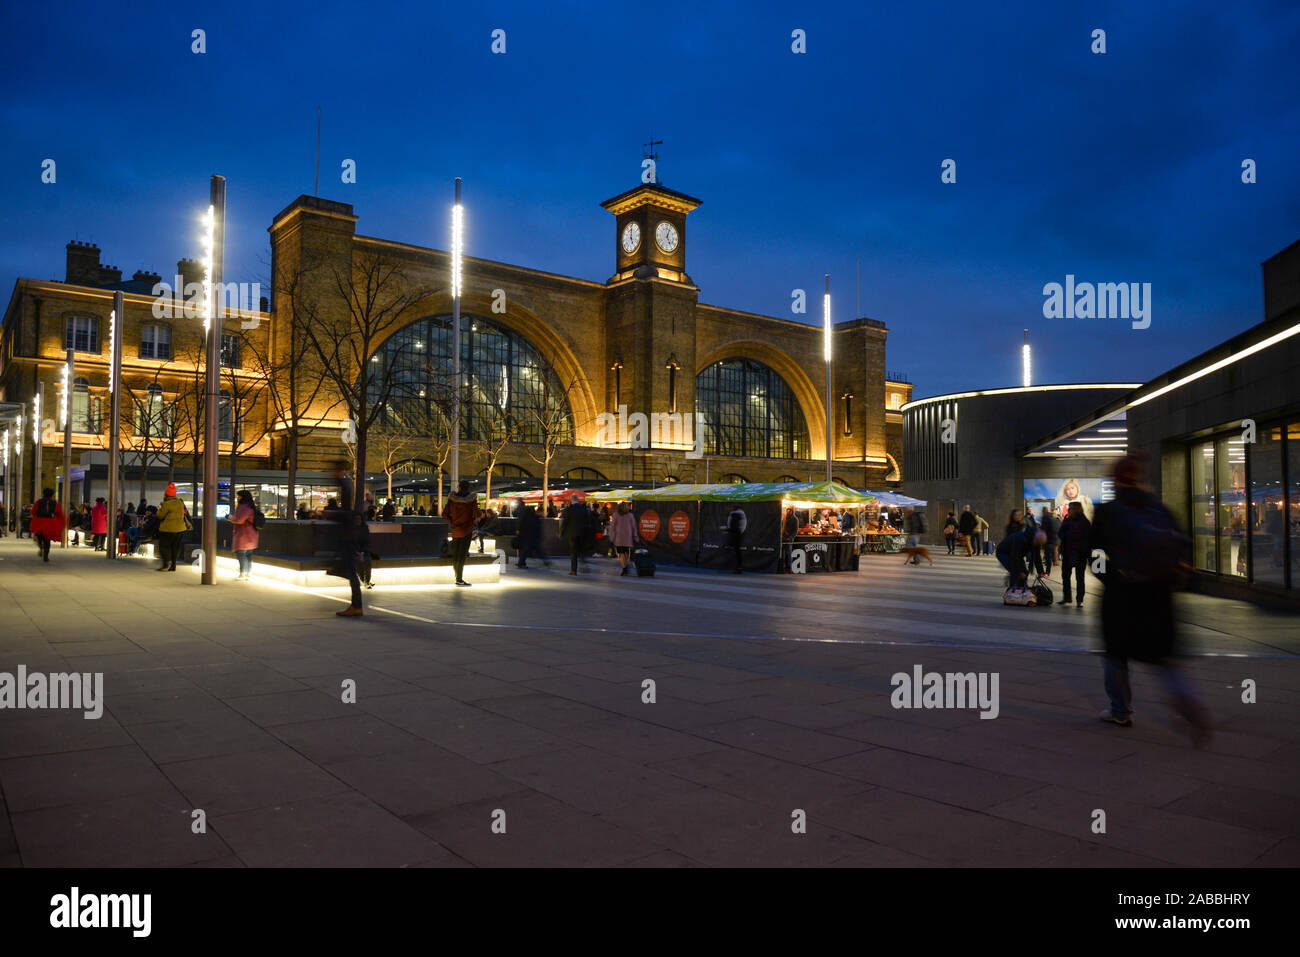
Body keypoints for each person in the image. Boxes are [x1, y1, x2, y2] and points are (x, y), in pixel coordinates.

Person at [1089, 453, 1210, 743]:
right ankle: (1185, 696)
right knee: (1164, 659)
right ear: (1141, 478)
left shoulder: (1107, 511)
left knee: (1115, 656)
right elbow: (1184, 548)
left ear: (1115, 480)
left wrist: (1112, 579)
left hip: (1122, 596)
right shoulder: (1160, 510)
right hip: (1158, 596)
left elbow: (1093, 555)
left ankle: (1120, 710)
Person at [326, 461, 364, 615]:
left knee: (352, 572)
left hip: (348, 538)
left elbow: (347, 513)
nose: (331, 473)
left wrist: (330, 514)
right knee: (351, 572)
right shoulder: (346, 485)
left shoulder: (346, 486)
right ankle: (356, 606)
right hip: (348, 537)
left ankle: (357, 606)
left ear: (339, 470)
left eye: (334, 470)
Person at [441, 480, 481, 586]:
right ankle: (459, 578)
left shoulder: (452, 500)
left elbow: (444, 514)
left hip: (455, 529)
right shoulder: (471, 500)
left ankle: (457, 576)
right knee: (462, 555)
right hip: (467, 529)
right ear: (468, 488)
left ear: (459, 487)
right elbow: (478, 514)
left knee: (456, 553)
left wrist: (453, 522)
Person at [1057, 500, 1090, 607]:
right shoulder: (1067, 520)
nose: (1068, 510)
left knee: (1080, 578)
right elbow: (1060, 534)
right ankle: (1067, 598)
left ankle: (1080, 600)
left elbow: (1088, 538)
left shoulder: (1084, 522)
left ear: (1076, 509)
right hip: (1067, 553)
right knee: (1065, 577)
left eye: (1070, 508)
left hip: (1080, 554)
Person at [996, 524, 1045, 594]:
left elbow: (1037, 557)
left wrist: (1040, 572)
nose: (1038, 546)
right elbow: (1015, 557)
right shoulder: (1021, 538)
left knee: (1025, 572)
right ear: (1035, 538)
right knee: (1015, 572)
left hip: (1016, 555)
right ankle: (1011, 593)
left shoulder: (1036, 541)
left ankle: (1021, 590)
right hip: (1003, 552)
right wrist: (1019, 572)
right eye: (1038, 543)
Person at [153, 484, 189, 572]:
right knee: (175, 547)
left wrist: (159, 509)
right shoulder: (180, 502)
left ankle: (165, 563)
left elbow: (160, 516)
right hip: (180, 529)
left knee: (163, 547)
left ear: (166, 494)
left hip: (168, 530)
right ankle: (173, 565)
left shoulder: (166, 504)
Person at [227, 489, 260, 581]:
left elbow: (239, 520)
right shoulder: (251, 506)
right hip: (251, 535)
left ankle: (243, 574)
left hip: (244, 535)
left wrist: (229, 517)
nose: (237, 498)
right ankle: (248, 573)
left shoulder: (244, 507)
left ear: (243, 497)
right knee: (249, 555)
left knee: (241, 554)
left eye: (239, 496)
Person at [559, 496, 592, 575]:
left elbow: (565, 522)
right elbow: (588, 521)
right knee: (581, 549)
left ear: (571, 500)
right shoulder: (584, 509)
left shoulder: (569, 509)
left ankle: (573, 570)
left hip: (572, 533)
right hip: (582, 533)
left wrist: (561, 532)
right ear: (578, 500)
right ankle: (584, 562)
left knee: (573, 552)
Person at [30, 488, 65, 563]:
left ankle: (41, 547)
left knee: (39, 537)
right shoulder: (55, 503)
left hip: (39, 522)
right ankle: (46, 556)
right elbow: (59, 513)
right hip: (50, 523)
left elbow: (33, 512)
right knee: (47, 540)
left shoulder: (38, 502)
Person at [515, 501, 549, 568]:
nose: (543, 514)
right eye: (542, 512)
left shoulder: (531, 517)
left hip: (529, 537)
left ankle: (521, 563)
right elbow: (535, 528)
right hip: (531, 537)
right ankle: (521, 563)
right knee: (533, 550)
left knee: (528, 550)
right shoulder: (534, 518)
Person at [610, 501, 637, 576]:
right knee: (626, 552)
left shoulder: (615, 515)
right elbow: (634, 527)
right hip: (628, 537)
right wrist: (635, 536)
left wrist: (611, 537)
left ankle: (624, 567)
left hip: (619, 537)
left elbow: (612, 527)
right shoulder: (630, 515)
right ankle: (626, 564)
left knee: (621, 553)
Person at [1038, 505, 1060, 576]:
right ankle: (1047, 572)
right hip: (1052, 541)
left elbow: (1046, 531)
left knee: (1048, 557)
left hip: (1049, 541)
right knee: (1048, 556)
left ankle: (1047, 572)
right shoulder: (1052, 518)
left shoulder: (1047, 519)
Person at [726, 504, 748, 573]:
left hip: (736, 535)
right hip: (738, 535)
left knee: (737, 551)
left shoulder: (734, 515)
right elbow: (741, 526)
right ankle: (739, 567)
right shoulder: (740, 515)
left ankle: (739, 567)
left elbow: (733, 527)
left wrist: (727, 530)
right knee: (737, 551)